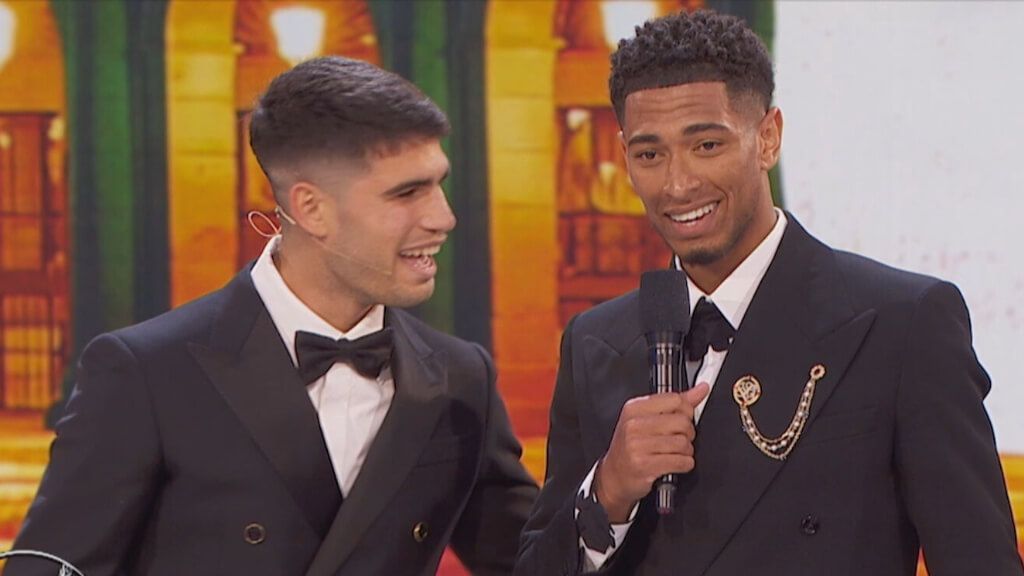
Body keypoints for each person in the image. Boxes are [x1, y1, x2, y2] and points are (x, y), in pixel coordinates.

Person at [515, 10, 1022, 576]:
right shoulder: (595, 341)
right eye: (650, 154)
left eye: (706, 145)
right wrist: (607, 489)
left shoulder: (902, 324)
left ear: (768, 137)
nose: (678, 185)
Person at [9, 56, 538, 576]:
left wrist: (607, 492)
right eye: (407, 192)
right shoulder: (145, 373)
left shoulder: (461, 377)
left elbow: (535, 561)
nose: (443, 217)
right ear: (312, 209)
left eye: (438, 183)